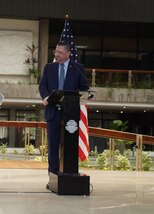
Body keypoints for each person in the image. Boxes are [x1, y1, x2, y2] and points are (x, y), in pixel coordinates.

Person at [39, 41, 89, 183]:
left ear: (68, 54)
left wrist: (87, 94)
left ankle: (69, 175)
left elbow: (84, 88)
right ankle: (52, 178)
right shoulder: (49, 68)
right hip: (52, 112)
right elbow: (43, 85)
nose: (56, 54)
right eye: (56, 52)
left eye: (60, 52)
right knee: (53, 146)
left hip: (70, 114)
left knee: (69, 145)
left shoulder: (78, 68)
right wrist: (46, 97)